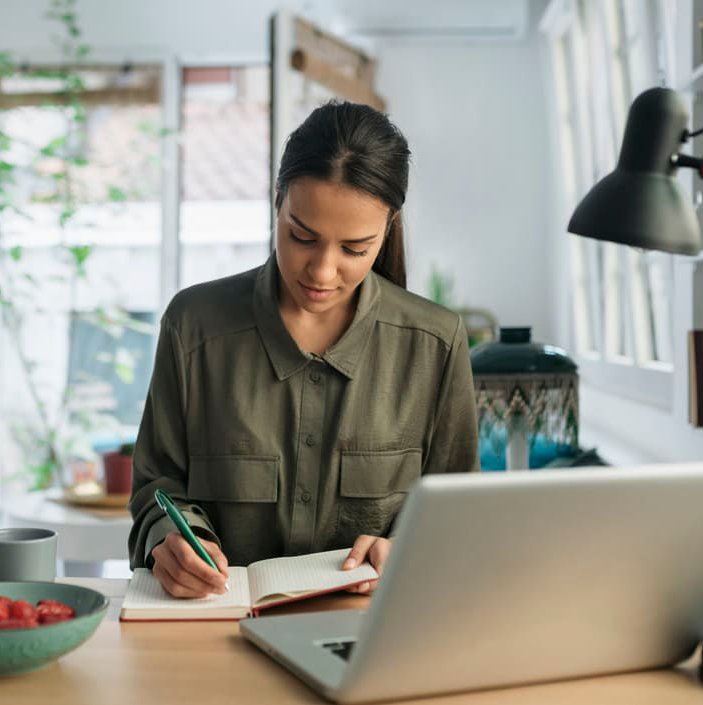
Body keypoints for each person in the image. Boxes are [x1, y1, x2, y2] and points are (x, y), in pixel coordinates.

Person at [127, 100, 479, 599]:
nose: (321, 271)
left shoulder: (435, 343)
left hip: (370, 633)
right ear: (277, 202)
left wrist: (410, 549)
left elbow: (457, 514)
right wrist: (173, 541)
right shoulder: (194, 326)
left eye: (355, 249)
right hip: (215, 629)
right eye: (302, 236)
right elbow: (156, 487)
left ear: (389, 229)